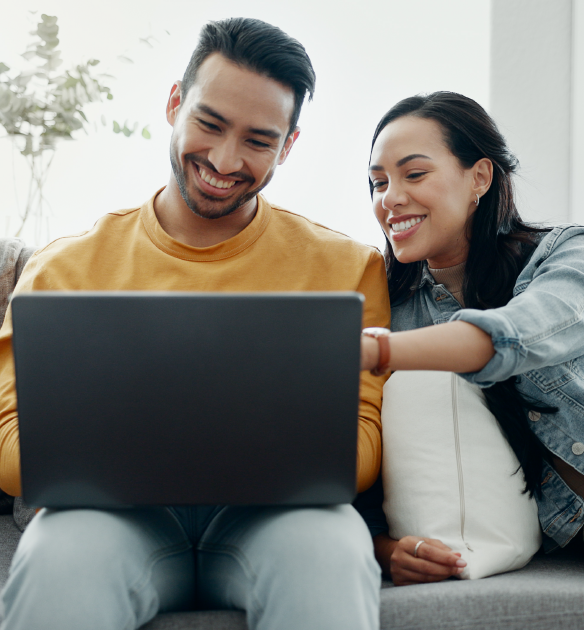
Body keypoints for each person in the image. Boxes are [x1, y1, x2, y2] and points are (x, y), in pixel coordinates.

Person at [0, 18, 390, 630]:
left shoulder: (346, 267)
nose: (225, 159)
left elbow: (361, 445)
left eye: (259, 141)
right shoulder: (63, 269)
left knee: (332, 553)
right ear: (175, 104)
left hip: (280, 521)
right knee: (58, 559)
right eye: (210, 124)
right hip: (110, 520)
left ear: (287, 147)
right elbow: (9, 443)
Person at [358, 91, 584, 586]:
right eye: (378, 182)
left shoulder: (566, 255)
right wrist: (385, 551)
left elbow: (516, 335)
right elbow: (361, 478)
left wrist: (376, 351)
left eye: (414, 174)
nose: (389, 198)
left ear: (480, 177)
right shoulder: (387, 309)